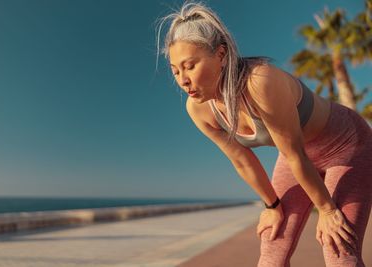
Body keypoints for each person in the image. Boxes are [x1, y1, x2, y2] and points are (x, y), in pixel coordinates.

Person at [155, 2, 372, 267]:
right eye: (175, 70)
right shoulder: (199, 110)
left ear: (221, 54)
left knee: (338, 250)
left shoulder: (259, 81)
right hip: (297, 159)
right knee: (272, 248)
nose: (182, 79)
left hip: (348, 147)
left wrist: (327, 210)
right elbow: (241, 160)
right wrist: (272, 207)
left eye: (190, 66)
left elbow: (295, 153)